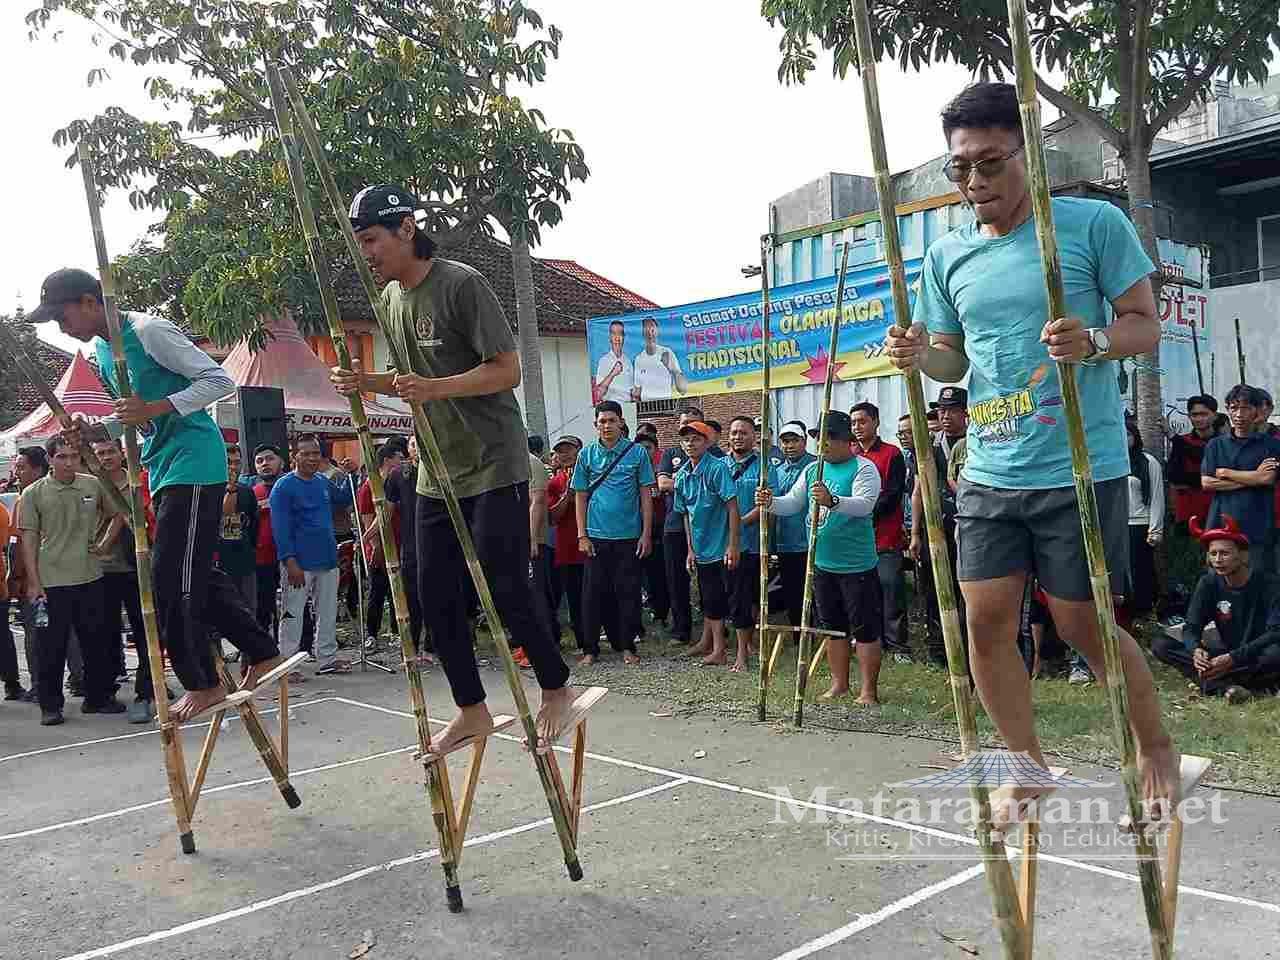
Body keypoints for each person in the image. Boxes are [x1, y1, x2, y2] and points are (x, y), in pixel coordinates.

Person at [885, 81, 1181, 820]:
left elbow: (1145, 323)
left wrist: (1096, 342)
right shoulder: (946, 255)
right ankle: (1027, 764)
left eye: (990, 163)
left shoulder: (1090, 225)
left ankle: (1154, 747)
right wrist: (921, 354)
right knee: (983, 621)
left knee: (1083, 625)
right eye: (960, 169)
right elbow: (955, 364)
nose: (975, 182)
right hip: (988, 466)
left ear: (1028, 155)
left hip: (1079, 467)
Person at [332, 183, 573, 753]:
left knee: (503, 581)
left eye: (371, 240)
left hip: (495, 462)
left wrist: (435, 388)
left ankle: (555, 686)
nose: (366, 254)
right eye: (359, 243)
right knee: (431, 590)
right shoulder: (389, 301)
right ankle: (471, 709)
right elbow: (410, 382)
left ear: (406, 229)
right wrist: (367, 384)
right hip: (435, 470)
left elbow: (507, 370)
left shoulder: (463, 285)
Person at [38, 268, 282, 722]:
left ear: (91, 301)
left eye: (62, 314)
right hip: (163, 467)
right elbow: (138, 421)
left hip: (195, 463)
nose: (61, 326)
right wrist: (97, 430)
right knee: (192, 572)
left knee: (168, 578)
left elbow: (218, 381)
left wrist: (155, 406)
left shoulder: (149, 332)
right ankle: (260, 650)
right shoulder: (104, 353)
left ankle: (201, 682)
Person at [757, 411, 883, 704]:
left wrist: (832, 501)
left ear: (846, 441)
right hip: (822, 563)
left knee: (864, 629)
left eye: (829, 438)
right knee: (831, 627)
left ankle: (868, 691)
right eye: (819, 438)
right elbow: (792, 503)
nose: (822, 444)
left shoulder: (864, 469)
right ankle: (839, 684)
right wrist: (771, 502)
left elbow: (864, 506)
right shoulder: (813, 470)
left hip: (856, 564)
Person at [19, 435, 125, 724]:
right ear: (50, 460)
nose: (68, 462)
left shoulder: (92, 484)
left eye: (73, 457)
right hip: (51, 582)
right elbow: (28, 537)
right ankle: (50, 706)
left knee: (96, 643)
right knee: (50, 647)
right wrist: (33, 581)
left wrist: (103, 545)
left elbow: (119, 513)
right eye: (61, 457)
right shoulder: (33, 493)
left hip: (90, 577)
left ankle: (98, 698)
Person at [1152, 516, 1280, 701]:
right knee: (1161, 645)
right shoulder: (1209, 583)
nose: (1218, 560)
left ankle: (1215, 684)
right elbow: (1191, 627)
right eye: (1213, 554)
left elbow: (1275, 633)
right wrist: (1196, 650)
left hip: (1255, 654)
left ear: (1243, 555)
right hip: (1226, 656)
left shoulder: (1270, 584)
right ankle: (1234, 688)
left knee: (1274, 655)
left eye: (1224, 553)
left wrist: (1232, 659)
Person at [571, 400, 654, 665]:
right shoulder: (586, 455)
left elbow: (646, 496)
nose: (606, 425)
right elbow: (580, 496)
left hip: (628, 536)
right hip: (595, 537)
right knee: (593, 595)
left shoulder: (637, 453)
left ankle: (627, 646)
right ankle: (590, 649)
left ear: (621, 422)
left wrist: (646, 534)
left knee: (627, 593)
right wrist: (582, 535)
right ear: (596, 425)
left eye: (611, 420)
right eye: (602, 421)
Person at [271, 435, 355, 678]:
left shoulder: (321, 481)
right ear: (295, 456)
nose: (311, 458)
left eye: (315, 453)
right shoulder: (283, 487)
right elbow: (281, 529)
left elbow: (343, 499)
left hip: (328, 559)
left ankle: (326, 658)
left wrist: (349, 474)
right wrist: (290, 561)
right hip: (298, 563)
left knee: (327, 612)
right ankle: (287, 665)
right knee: (292, 614)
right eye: (306, 453)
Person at [91, 437, 161, 723]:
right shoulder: (89, 482)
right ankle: (105, 691)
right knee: (105, 633)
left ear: (122, 453)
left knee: (146, 633)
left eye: (110, 452)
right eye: (100, 453)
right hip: (101, 569)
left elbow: (131, 513)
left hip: (137, 566)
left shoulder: (138, 480)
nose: (106, 457)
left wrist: (109, 538)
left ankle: (147, 691)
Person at [672, 420, 739, 665]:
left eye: (696, 438)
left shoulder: (717, 468)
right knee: (709, 598)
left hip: (721, 547)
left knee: (725, 598)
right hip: (700, 548)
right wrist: (690, 549)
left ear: (707, 442)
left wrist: (732, 545)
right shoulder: (681, 475)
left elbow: (733, 506)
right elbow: (686, 515)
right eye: (686, 439)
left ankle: (726, 650)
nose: (691, 443)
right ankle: (711, 645)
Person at [910, 386, 968, 665]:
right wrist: (914, 533)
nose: (946, 416)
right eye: (942, 410)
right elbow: (918, 491)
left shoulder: (977, 442)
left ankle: (971, 650)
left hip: (970, 528)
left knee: (968, 593)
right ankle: (938, 650)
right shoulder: (930, 446)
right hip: (935, 531)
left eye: (952, 410)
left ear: (966, 413)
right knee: (934, 591)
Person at [851, 402, 909, 664]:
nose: (857, 427)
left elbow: (894, 494)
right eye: (853, 423)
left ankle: (897, 646)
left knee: (891, 591)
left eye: (862, 421)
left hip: (886, 537)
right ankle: (868, 641)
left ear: (875, 421)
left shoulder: (891, 454)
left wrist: (864, 511)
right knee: (863, 594)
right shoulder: (849, 456)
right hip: (857, 541)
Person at [1200, 385, 1280, 575]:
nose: (1239, 414)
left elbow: (1268, 479)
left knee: (1260, 583)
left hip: (1258, 527)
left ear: (1257, 410)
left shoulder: (1271, 444)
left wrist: (1226, 472)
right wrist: (1254, 477)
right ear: (1227, 410)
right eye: (1234, 408)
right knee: (1219, 584)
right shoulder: (1215, 445)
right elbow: (1207, 483)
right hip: (1220, 526)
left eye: (1245, 408)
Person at [724, 416, 778, 671]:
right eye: (734, 432)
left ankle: (747, 648)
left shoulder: (765, 466)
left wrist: (740, 522)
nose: (738, 437)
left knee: (752, 596)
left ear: (754, 436)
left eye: (743, 432)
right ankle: (741, 650)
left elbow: (767, 502)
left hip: (755, 543)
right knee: (735, 597)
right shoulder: (718, 465)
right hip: (725, 544)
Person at [657, 407, 706, 646]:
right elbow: (663, 483)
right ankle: (681, 629)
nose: (689, 428)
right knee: (676, 580)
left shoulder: (714, 453)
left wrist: (682, 481)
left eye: (695, 423)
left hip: (708, 529)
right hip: (675, 525)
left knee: (709, 580)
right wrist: (692, 480)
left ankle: (712, 629)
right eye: (685, 423)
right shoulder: (671, 452)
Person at [8, 446, 49, 700]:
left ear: (38, 469)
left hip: (36, 580)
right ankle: (78, 679)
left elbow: (18, 544)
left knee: (36, 634)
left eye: (22, 467)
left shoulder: (27, 499)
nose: (16, 472)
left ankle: (39, 685)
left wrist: (16, 578)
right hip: (56, 575)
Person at [356, 442, 405, 651]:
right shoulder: (370, 487)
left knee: (398, 593)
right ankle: (372, 634)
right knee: (378, 592)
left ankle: (398, 632)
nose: (402, 463)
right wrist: (373, 545)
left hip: (400, 543)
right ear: (387, 460)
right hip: (381, 547)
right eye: (399, 458)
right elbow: (369, 520)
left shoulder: (398, 482)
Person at [384, 435, 427, 656]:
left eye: (420, 443)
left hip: (439, 545)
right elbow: (386, 511)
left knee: (437, 597)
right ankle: (410, 649)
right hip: (410, 547)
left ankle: (433, 647)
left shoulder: (439, 470)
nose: (417, 448)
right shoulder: (398, 474)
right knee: (410, 599)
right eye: (413, 444)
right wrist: (370, 535)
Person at [774, 421, 816, 629]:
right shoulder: (776, 470)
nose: (789, 446)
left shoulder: (816, 466)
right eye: (785, 441)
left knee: (816, 592)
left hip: (810, 541)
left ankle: (822, 633)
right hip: (785, 542)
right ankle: (799, 635)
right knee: (792, 591)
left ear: (804, 441)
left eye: (794, 441)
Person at [547, 436, 587, 655]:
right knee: (574, 598)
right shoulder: (553, 482)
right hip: (566, 549)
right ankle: (583, 642)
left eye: (570, 450)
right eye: (561, 451)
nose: (566, 455)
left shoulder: (592, 475)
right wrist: (567, 495)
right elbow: (553, 517)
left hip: (591, 544)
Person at [634, 429, 670, 634]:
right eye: (640, 448)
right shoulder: (631, 470)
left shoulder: (661, 468)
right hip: (636, 529)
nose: (644, 451)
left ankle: (662, 613)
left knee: (659, 573)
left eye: (647, 447)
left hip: (660, 528)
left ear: (655, 449)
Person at [250, 443, 287, 638]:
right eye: (259, 461)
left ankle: (303, 648)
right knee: (262, 607)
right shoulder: (251, 492)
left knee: (295, 608)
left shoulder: (291, 485)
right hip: (261, 559)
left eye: (270, 459)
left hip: (290, 558)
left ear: (281, 461)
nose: (265, 464)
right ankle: (264, 649)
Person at [1167, 395, 1217, 531]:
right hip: (1187, 513)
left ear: (1214, 415)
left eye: (1204, 414)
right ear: (1189, 416)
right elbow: (1175, 476)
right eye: (1194, 414)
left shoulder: (1224, 443)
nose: (1199, 419)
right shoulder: (1183, 441)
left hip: (1217, 512)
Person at [633, 315, 688, 400]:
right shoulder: (638, 359)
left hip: (665, 405)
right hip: (646, 407)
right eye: (646, 330)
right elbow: (637, 390)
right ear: (643, 333)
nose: (649, 333)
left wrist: (672, 369)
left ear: (657, 331)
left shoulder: (667, 352)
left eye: (652, 329)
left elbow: (683, 390)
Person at [594, 319, 635, 404]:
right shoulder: (604, 361)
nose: (617, 337)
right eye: (614, 333)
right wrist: (613, 373)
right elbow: (599, 394)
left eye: (620, 333)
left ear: (624, 337)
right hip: (611, 408)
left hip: (627, 407)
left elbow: (632, 392)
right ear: (610, 337)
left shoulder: (628, 361)